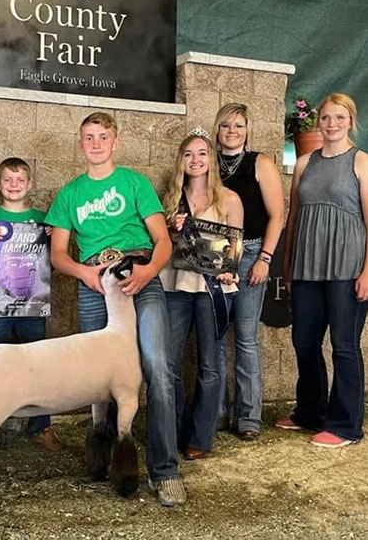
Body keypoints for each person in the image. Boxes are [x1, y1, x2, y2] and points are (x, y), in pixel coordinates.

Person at [44, 111, 186, 507]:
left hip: (140, 276)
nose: (95, 143)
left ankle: (165, 470)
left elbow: (163, 241)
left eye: (102, 136)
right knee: (98, 378)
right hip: (97, 283)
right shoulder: (69, 194)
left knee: (158, 365)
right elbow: (58, 253)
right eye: (88, 137)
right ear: (80, 143)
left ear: (115, 142)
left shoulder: (135, 183)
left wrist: (149, 272)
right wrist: (82, 274)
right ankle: (102, 457)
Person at [278, 93, 368, 448]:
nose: (332, 124)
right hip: (306, 268)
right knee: (303, 341)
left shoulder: (361, 163)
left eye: (339, 118)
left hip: (348, 268)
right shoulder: (303, 164)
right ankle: (309, 413)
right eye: (326, 118)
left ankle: (346, 426)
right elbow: (294, 218)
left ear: (351, 121)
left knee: (344, 345)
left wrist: (367, 272)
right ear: (318, 123)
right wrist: (287, 267)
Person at [160, 128, 243, 460]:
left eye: (202, 154)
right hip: (176, 285)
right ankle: (172, 429)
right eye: (189, 154)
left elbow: (234, 250)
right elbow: (158, 244)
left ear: (211, 159)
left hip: (212, 289)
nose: (195, 160)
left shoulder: (230, 199)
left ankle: (200, 436)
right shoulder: (169, 198)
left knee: (211, 363)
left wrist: (230, 268)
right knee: (168, 363)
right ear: (181, 161)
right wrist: (171, 227)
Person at [0, 157, 60, 455]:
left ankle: (40, 425)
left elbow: (57, 261)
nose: (14, 186)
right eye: (8, 180)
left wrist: (55, 236)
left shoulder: (44, 218)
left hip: (32, 304)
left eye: (20, 180)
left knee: (37, 364)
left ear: (30, 184)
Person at [213, 103, 285, 440]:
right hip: (214, 257)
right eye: (226, 125)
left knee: (245, 339)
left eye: (239, 125)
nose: (232, 131)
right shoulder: (207, 162)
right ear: (217, 129)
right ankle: (216, 412)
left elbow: (277, 215)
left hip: (252, 252)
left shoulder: (261, 163)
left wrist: (265, 258)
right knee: (214, 337)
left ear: (248, 129)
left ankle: (249, 417)